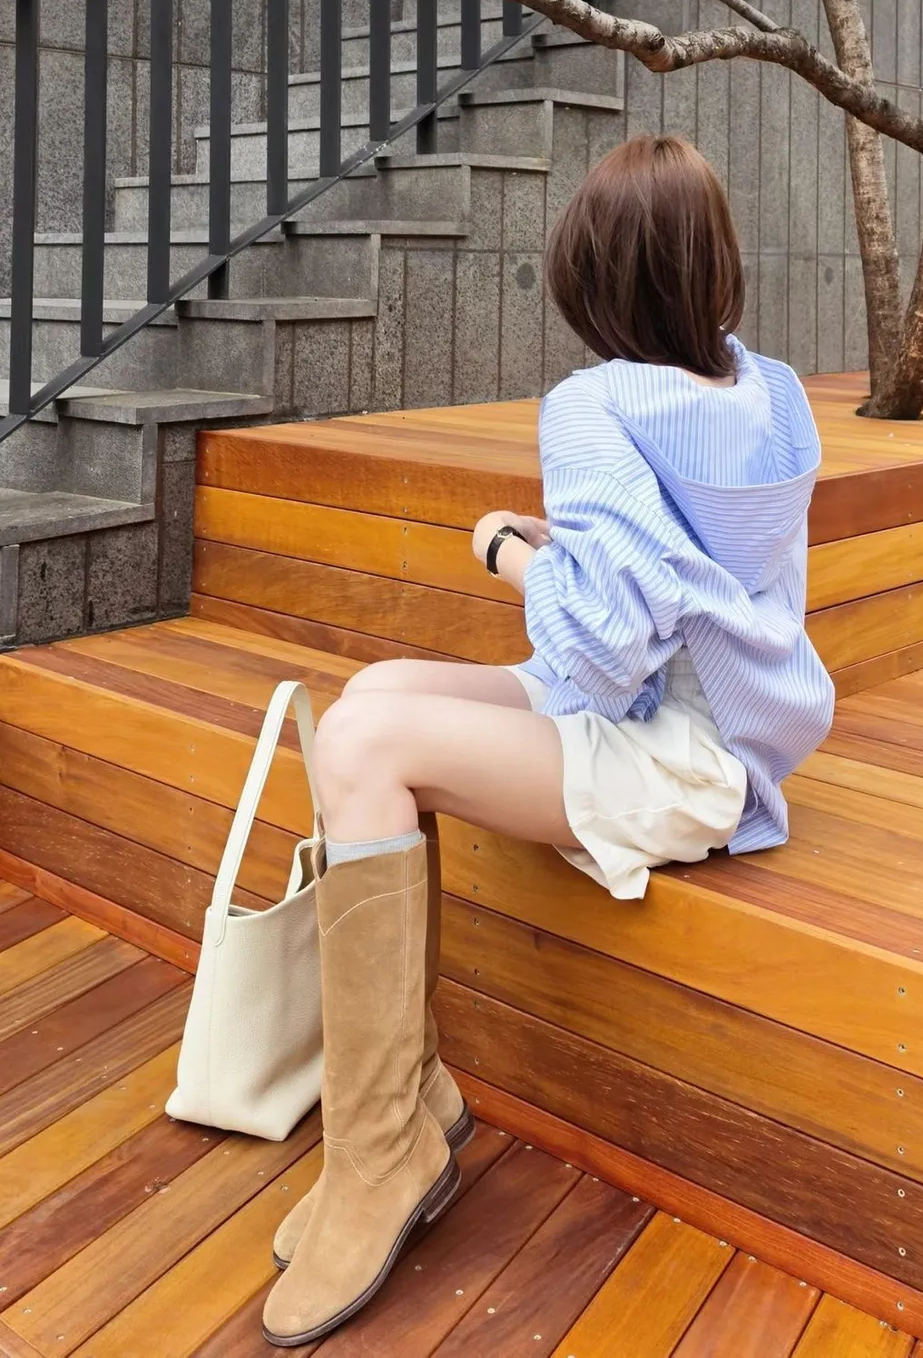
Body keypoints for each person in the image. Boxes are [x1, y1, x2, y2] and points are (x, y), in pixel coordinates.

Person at [262, 133, 835, 1347]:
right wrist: (572, 546)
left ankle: (379, 1157)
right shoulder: (774, 392)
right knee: (371, 693)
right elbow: (693, 569)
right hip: (718, 735)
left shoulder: (592, 405)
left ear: (591, 277)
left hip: (667, 755)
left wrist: (508, 551)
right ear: (713, 262)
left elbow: (607, 638)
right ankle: (409, 1094)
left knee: (361, 747)